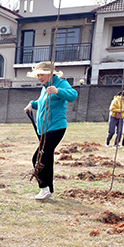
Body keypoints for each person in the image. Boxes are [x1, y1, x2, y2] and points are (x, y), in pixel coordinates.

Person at [24, 61, 78, 200]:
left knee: (38, 157)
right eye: (38, 75)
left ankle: (44, 188)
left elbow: (73, 95)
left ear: (50, 73)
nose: (39, 78)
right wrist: (31, 104)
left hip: (55, 127)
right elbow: (41, 102)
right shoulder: (44, 87)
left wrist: (57, 91)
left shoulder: (60, 84)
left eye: (42, 74)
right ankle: (48, 190)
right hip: (43, 130)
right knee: (47, 158)